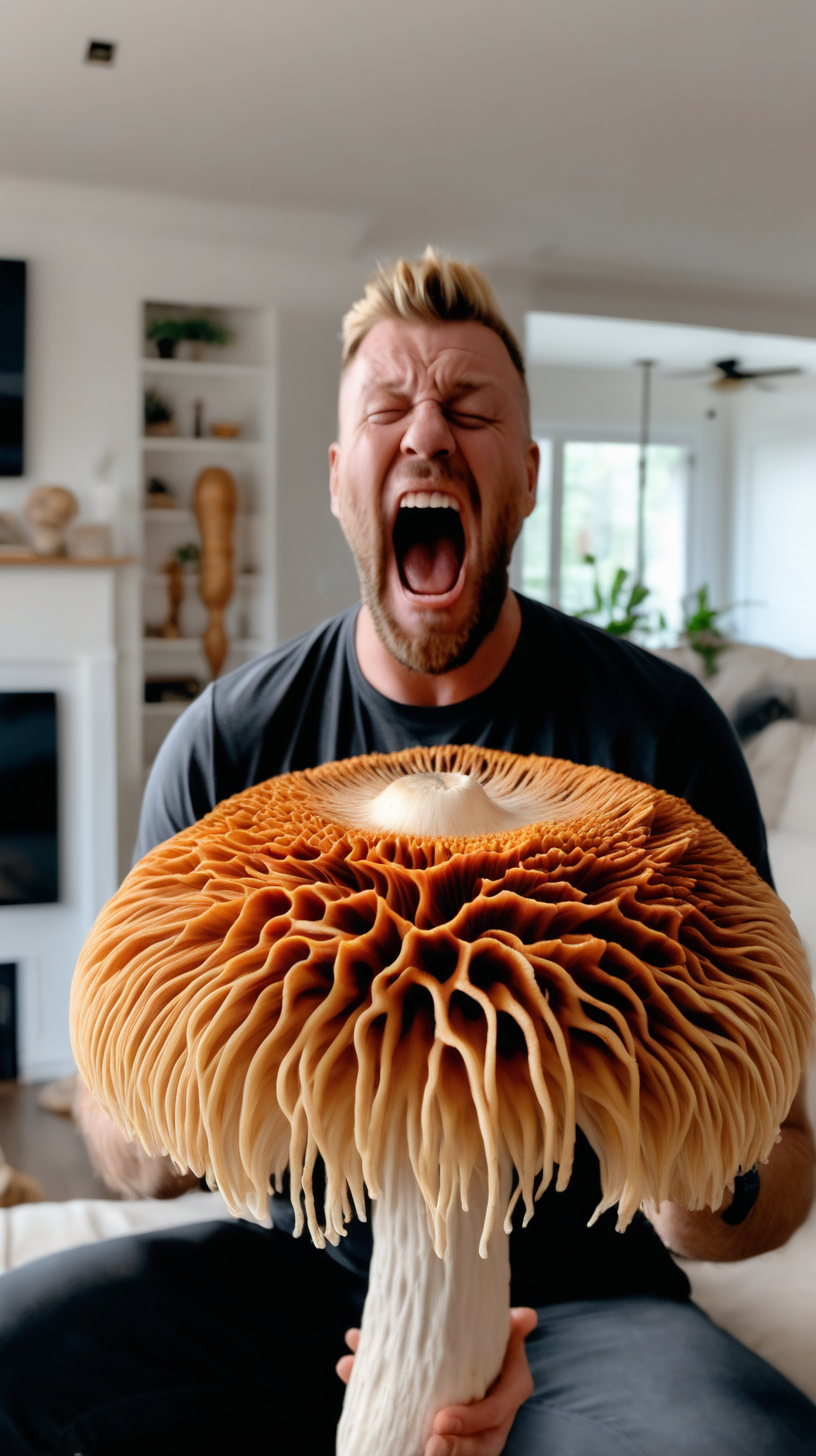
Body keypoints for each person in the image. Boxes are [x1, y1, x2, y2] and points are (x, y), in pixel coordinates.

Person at [1, 250, 815, 1456]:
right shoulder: (233, 739)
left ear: (528, 477)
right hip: (292, 1267)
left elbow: (782, 1161)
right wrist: (197, 1075)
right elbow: (134, 1147)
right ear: (340, 481)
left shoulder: (656, 734)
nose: (428, 435)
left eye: (472, 410)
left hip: (588, 1295)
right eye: (388, 410)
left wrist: (693, 1156)